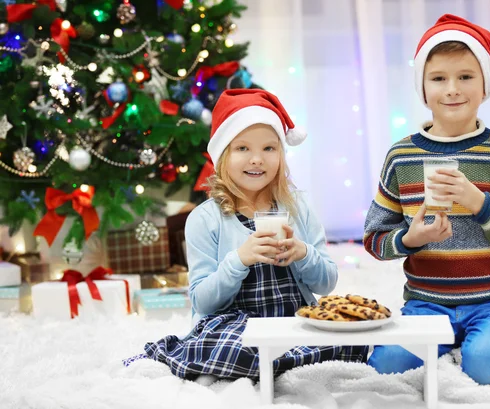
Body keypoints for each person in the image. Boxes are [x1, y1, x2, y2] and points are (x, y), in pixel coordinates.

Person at [124, 89, 367, 382]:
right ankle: (280, 361)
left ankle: (273, 361)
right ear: (223, 156)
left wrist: (303, 253)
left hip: (294, 318)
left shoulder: (298, 207)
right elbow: (203, 301)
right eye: (242, 149)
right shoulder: (205, 219)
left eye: (269, 148)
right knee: (231, 347)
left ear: (281, 154)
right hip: (234, 322)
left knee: (355, 336)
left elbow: (326, 283)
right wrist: (238, 260)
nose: (257, 160)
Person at [363, 14, 490, 385]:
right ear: (423, 88)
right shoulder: (402, 156)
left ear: (484, 86)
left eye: (465, 76)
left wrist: (480, 203)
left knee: (488, 367)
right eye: (438, 78)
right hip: (426, 303)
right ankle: (449, 340)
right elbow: (374, 238)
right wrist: (409, 239)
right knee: (386, 367)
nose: (452, 89)